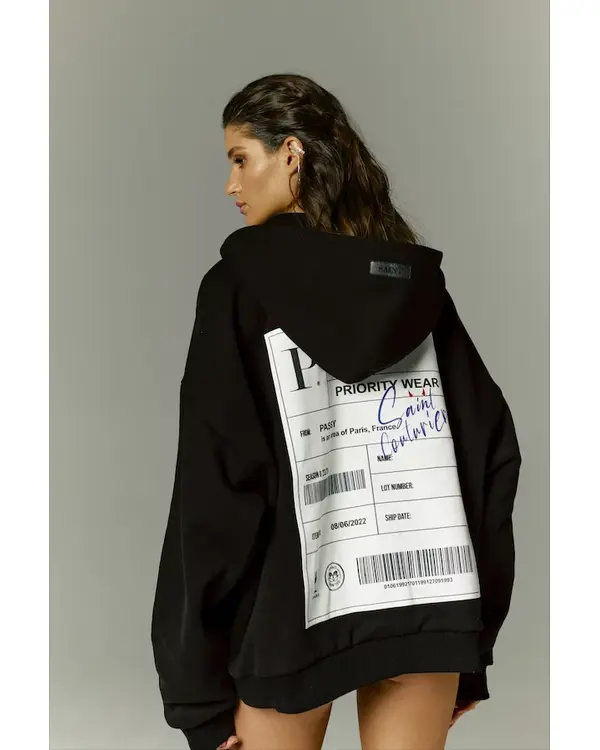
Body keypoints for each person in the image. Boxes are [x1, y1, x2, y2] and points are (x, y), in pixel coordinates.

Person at [150, 73, 521, 750]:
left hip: (292, 617)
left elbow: (215, 488)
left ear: (290, 153)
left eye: (241, 159)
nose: (231, 185)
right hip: (425, 605)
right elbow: (488, 454)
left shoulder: (236, 289)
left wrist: (194, 689)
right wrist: (470, 638)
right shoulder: (412, 286)